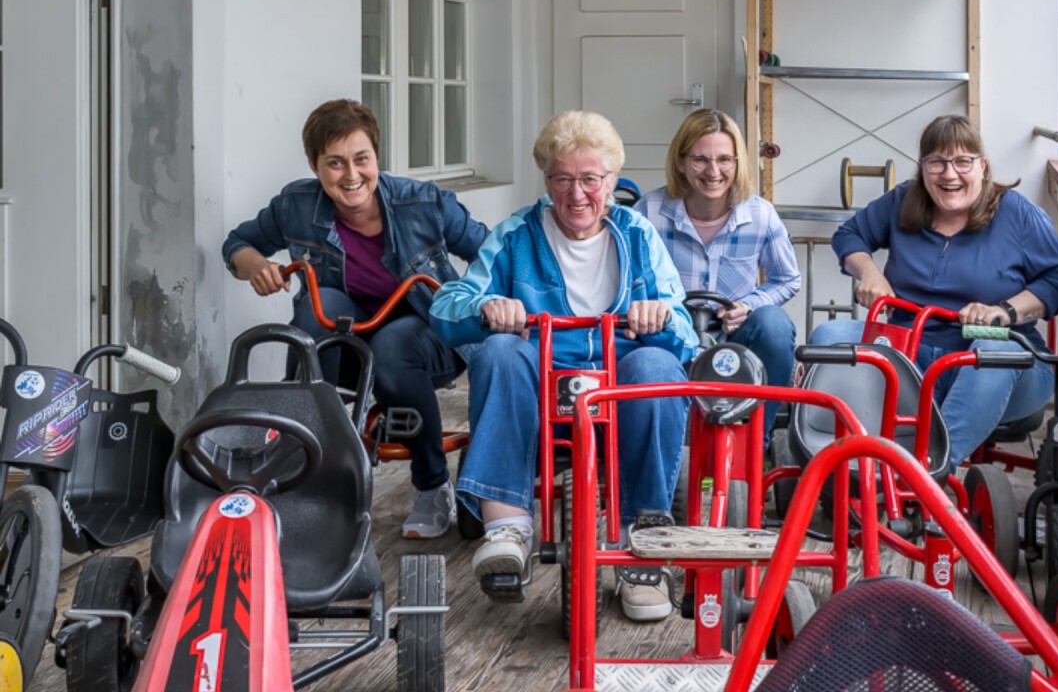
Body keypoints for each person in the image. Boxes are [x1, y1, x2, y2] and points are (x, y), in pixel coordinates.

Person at [430, 110, 698, 621]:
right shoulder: (517, 234)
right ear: (547, 180)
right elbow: (446, 306)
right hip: (541, 372)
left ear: (612, 181)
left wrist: (658, 316)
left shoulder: (637, 235)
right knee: (501, 352)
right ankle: (507, 525)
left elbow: (685, 330)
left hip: (620, 374)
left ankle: (642, 543)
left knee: (659, 365)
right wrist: (484, 308)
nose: (577, 194)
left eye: (590, 180)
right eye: (563, 179)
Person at [221, 98, 488, 539]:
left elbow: (495, 254)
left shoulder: (423, 202)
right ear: (314, 165)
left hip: (428, 334)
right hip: (349, 341)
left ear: (376, 157)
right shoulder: (296, 205)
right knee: (313, 309)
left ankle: (431, 485)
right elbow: (238, 245)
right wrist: (257, 268)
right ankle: (310, 472)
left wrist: (474, 298)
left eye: (361, 159)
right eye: (335, 163)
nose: (351, 175)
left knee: (393, 347)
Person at [809, 114, 1058, 468]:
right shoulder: (904, 201)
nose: (949, 174)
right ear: (923, 168)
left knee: (994, 350)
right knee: (829, 336)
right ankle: (838, 464)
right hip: (909, 354)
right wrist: (870, 272)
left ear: (982, 166)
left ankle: (926, 472)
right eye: (936, 162)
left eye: (962, 161)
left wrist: (1005, 311)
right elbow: (849, 236)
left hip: (996, 364)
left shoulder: (1017, 213)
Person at [634, 109, 801, 437]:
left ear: (737, 163)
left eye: (725, 159)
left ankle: (756, 441)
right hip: (670, 336)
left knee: (774, 324)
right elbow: (628, 282)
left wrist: (749, 304)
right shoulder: (649, 212)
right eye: (700, 159)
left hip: (734, 336)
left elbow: (788, 278)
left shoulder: (760, 215)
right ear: (680, 161)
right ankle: (671, 444)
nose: (713, 171)